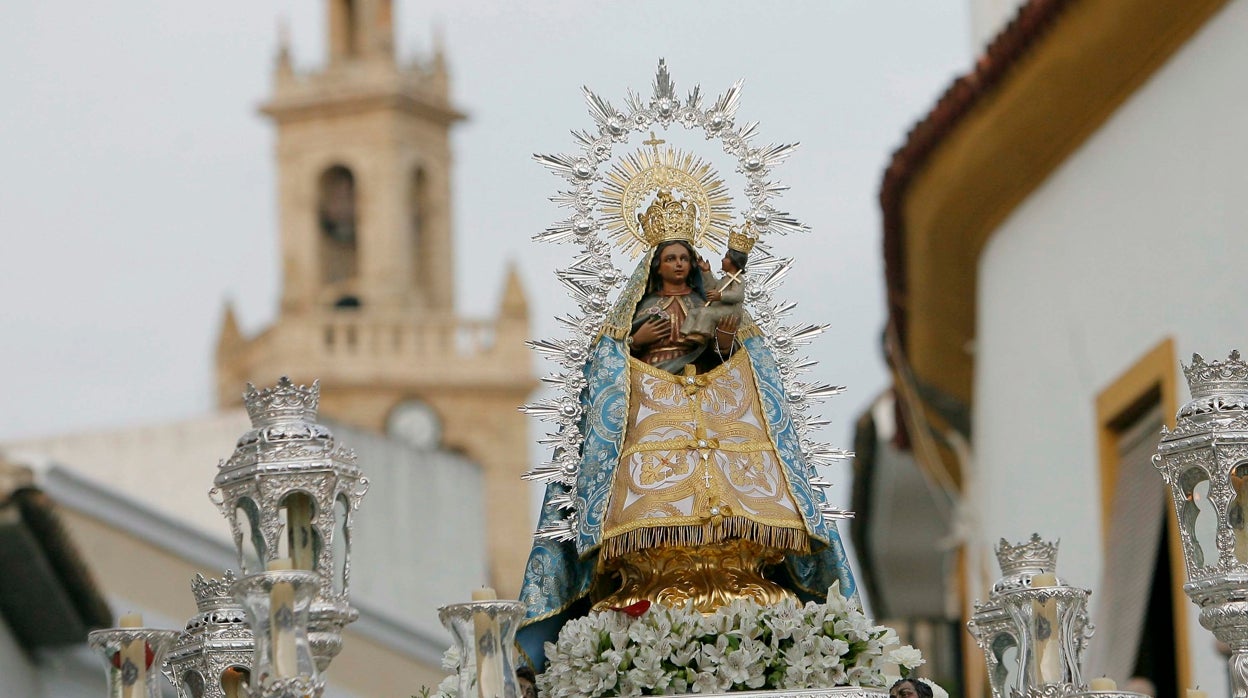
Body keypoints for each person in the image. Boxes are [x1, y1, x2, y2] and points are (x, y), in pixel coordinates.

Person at [516, 189, 856, 669]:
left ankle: (747, 574)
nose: (677, 264)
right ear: (655, 265)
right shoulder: (637, 309)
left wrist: (724, 308)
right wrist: (636, 342)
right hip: (651, 420)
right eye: (668, 257)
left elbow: (733, 352)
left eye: (683, 257)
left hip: (715, 419)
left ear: (692, 261)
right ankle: (646, 578)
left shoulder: (708, 301)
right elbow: (610, 367)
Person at [679, 230, 750, 343]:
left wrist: (721, 296)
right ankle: (685, 333)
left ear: (734, 262)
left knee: (706, 313)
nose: (722, 260)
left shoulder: (738, 280)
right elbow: (712, 288)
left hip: (730, 312)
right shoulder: (725, 279)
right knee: (694, 312)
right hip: (719, 309)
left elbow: (738, 295)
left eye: (726, 258)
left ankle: (701, 334)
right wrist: (706, 271)